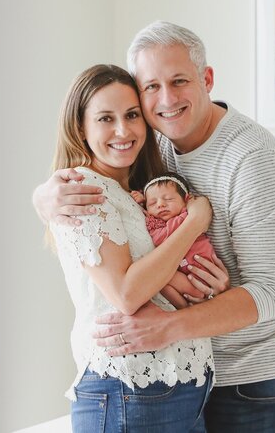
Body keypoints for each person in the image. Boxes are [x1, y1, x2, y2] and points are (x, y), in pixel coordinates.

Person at [33, 21, 275, 432]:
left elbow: (271, 292)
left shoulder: (253, 160)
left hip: (259, 374)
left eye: (179, 81)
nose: (165, 99)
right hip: (188, 371)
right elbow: (122, 233)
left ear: (206, 79)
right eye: (150, 87)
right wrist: (45, 198)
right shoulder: (152, 145)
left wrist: (166, 327)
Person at [48, 63, 221, 433]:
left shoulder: (139, 191)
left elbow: (153, 275)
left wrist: (207, 282)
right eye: (105, 119)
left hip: (183, 387)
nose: (123, 131)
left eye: (131, 116)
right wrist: (193, 223)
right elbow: (126, 293)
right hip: (130, 390)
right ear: (81, 127)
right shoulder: (85, 191)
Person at [131, 172, 221, 308]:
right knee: (159, 282)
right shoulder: (158, 225)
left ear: (186, 199)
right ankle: (184, 309)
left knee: (159, 277)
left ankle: (187, 309)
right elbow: (158, 238)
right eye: (153, 202)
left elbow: (164, 236)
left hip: (203, 278)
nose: (160, 204)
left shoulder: (185, 217)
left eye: (168, 199)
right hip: (188, 278)